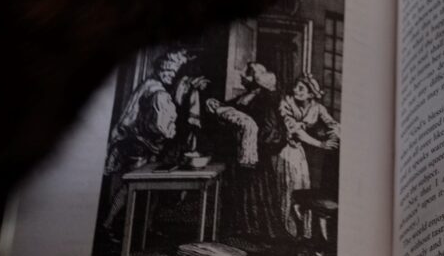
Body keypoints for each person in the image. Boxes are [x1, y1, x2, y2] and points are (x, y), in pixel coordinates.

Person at [100, 49, 209, 232]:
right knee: (130, 186)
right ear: (162, 70)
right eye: (169, 73)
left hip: (146, 143)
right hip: (139, 143)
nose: (171, 76)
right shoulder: (158, 92)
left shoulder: (149, 84)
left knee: (153, 188)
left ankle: (146, 226)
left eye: (173, 73)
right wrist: (172, 132)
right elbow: (158, 126)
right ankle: (107, 225)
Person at [206, 62, 284, 238]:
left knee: (254, 192)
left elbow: (273, 131)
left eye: (247, 74)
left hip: (257, 156)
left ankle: (256, 231)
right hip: (237, 153)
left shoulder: (265, 99)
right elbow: (229, 111)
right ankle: (235, 228)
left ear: (256, 79)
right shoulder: (245, 96)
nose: (242, 77)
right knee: (234, 190)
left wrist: (254, 142)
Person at [273, 74, 340, 240]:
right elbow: (296, 130)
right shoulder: (286, 103)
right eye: (296, 87)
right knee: (288, 189)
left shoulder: (316, 108)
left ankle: (305, 232)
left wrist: (337, 133)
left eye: (301, 88)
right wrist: (321, 144)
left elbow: (332, 124)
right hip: (286, 151)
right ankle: (288, 231)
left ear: (311, 94)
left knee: (302, 187)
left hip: (300, 153)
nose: (296, 90)